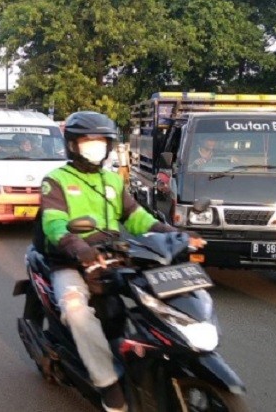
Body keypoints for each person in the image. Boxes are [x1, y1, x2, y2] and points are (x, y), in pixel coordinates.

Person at [39, 111, 205, 412]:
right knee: (76, 311)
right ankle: (109, 382)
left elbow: (137, 218)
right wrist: (78, 248)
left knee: (154, 299)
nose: (96, 147)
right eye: (89, 141)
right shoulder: (55, 181)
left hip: (115, 255)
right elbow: (54, 224)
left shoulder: (113, 180)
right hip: (70, 261)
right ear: (73, 145)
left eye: (101, 142)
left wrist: (175, 234)